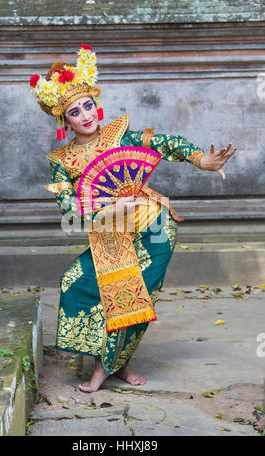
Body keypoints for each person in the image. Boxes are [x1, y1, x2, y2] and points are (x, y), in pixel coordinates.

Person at [29, 44, 236, 393]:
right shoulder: (61, 160)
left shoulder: (119, 136)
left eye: (88, 105)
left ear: (97, 104)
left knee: (130, 294)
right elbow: (70, 210)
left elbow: (164, 143)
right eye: (75, 111)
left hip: (154, 228)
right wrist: (111, 210)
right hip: (109, 230)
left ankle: (106, 368)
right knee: (75, 284)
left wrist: (201, 160)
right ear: (64, 120)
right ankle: (115, 362)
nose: (85, 115)